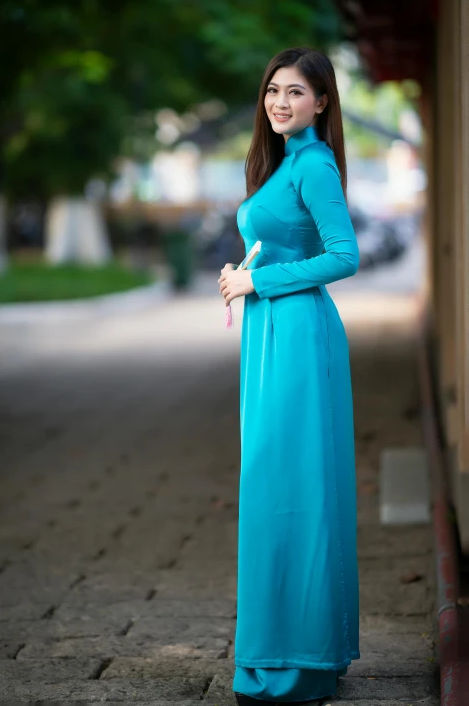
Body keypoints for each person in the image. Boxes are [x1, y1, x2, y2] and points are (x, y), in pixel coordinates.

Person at [218, 47, 361, 705]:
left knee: (291, 482)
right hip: (272, 334)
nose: (280, 101)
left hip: (300, 338)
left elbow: (344, 255)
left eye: (296, 92)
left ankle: (297, 660)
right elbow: (280, 244)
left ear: (323, 102)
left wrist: (260, 280)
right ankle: (285, 651)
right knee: (271, 479)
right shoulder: (286, 163)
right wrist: (244, 275)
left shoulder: (315, 165)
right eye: (273, 89)